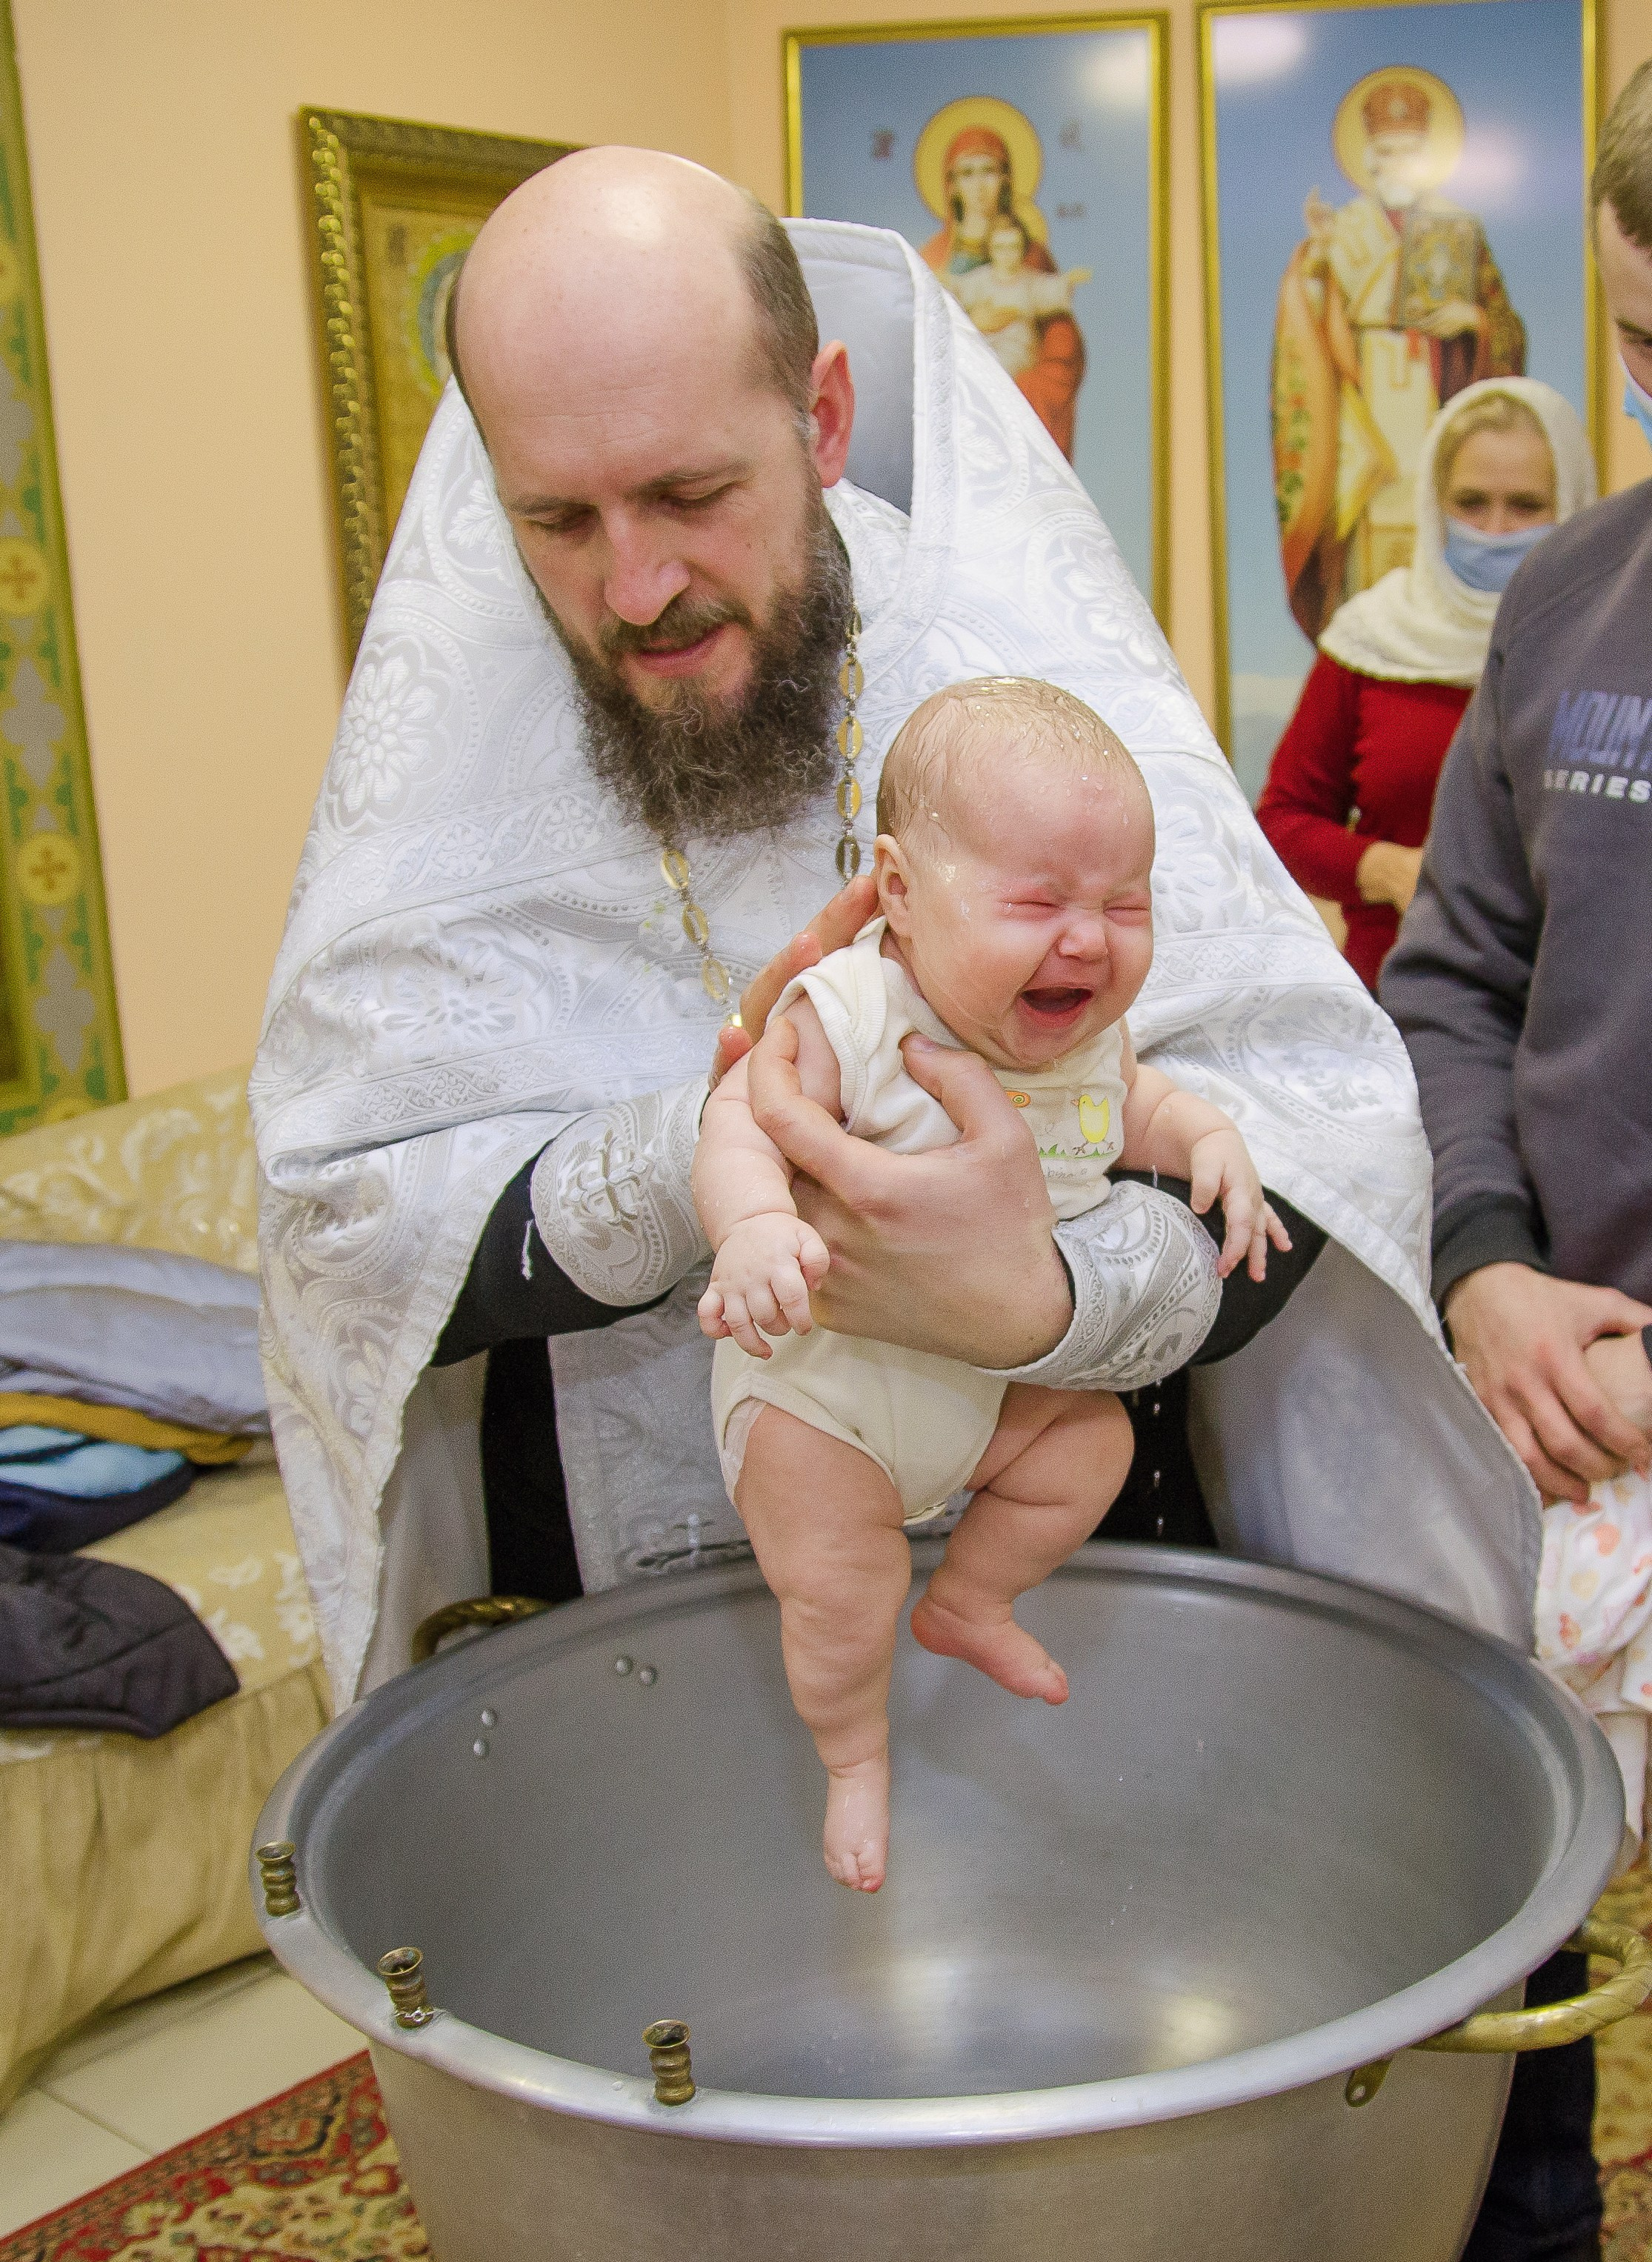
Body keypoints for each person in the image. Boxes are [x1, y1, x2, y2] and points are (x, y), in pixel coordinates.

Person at [252, 146, 1528, 1836]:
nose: (633, 590)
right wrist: (698, 1163)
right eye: (556, 518)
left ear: (825, 415)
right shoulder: (450, 751)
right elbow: (347, 1232)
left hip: (1077, 1575)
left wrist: (1037, 1301)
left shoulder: (1032, 700)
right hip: (614, 1643)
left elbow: (1311, 1140)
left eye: (692, 495)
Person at [696, 679, 1285, 1890]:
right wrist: (754, 1225)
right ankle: (855, 1758)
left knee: (1091, 1449)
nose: (1090, 938)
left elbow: (1139, 1107)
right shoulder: (856, 1006)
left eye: (1127, 902)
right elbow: (741, 1115)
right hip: (822, 1397)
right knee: (842, 1594)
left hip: (985, 1389)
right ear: (901, 894)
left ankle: (969, 1595)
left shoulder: (1083, 1039)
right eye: (1039, 901)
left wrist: (1209, 1137)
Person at [1377, 59, 1652, 2262]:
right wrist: (1475, 1252)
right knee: (1484, 1845)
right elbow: (1452, 968)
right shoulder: (1564, 592)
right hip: (1542, 1379)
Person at [1257, 378, 1595, 991]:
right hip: (1395, 998)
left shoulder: (1610, 643)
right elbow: (1282, 820)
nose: (1495, 530)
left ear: (1571, 504)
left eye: (1525, 506)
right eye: (1470, 502)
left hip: (1571, 1008)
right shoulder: (1371, 641)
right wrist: (1384, 869)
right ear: (1433, 506)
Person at [1274, 71, 1527, 639]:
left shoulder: (1459, 229)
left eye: (1410, 150)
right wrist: (1316, 256)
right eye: (1387, 152)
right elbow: (1306, 326)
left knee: (1434, 524)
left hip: (1437, 406)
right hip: (1368, 426)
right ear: (1369, 158)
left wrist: (1475, 323)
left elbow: (1507, 331)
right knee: (1369, 539)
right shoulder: (1344, 230)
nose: (1397, 163)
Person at [919, 126, 1087, 458]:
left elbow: (1062, 344)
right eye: (967, 174)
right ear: (951, 185)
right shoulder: (933, 258)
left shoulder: (1033, 257)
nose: (979, 187)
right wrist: (978, 324)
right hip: (956, 404)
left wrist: (1024, 390)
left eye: (989, 172)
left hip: (1016, 397)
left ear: (1006, 180)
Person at [942, 218, 1091, 380]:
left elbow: (1050, 289)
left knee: (1001, 367)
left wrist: (1069, 280)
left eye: (1013, 247)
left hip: (1016, 346)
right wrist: (943, 280)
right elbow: (960, 288)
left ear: (1023, 250)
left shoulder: (1029, 281)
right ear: (991, 249)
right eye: (1000, 247)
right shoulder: (981, 278)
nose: (1006, 254)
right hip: (985, 340)